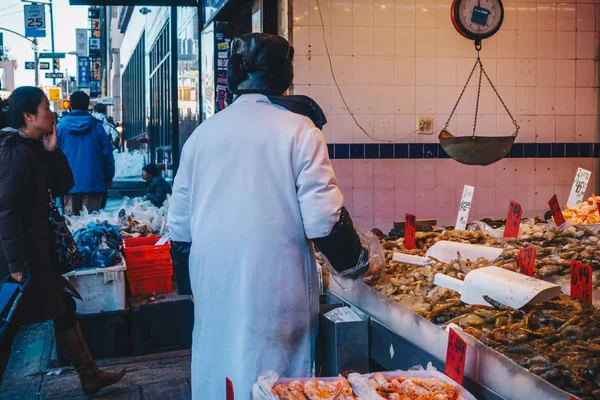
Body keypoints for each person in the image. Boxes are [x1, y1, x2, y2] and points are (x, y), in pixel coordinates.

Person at [168, 33, 370, 399]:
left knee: (222, 371)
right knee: (276, 382)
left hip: (213, 284)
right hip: (276, 290)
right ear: (283, 73)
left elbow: (179, 227)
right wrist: (357, 264)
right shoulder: (299, 131)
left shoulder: (202, 135)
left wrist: (191, 286)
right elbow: (324, 220)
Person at [0, 87, 125, 395]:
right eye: (45, 107)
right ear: (28, 116)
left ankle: (90, 375)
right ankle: (90, 374)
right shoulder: (16, 153)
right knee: (10, 325)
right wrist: (16, 264)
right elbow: (7, 211)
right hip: (24, 257)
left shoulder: (34, 148)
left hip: (38, 253)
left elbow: (63, 185)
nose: (52, 112)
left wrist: (53, 150)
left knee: (62, 308)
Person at [57, 91, 115, 216]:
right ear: (88, 105)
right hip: (93, 182)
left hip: (68, 184)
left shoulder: (60, 126)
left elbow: (54, 155)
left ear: (70, 105)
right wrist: (109, 177)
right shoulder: (97, 126)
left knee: (71, 225)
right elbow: (107, 154)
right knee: (92, 226)